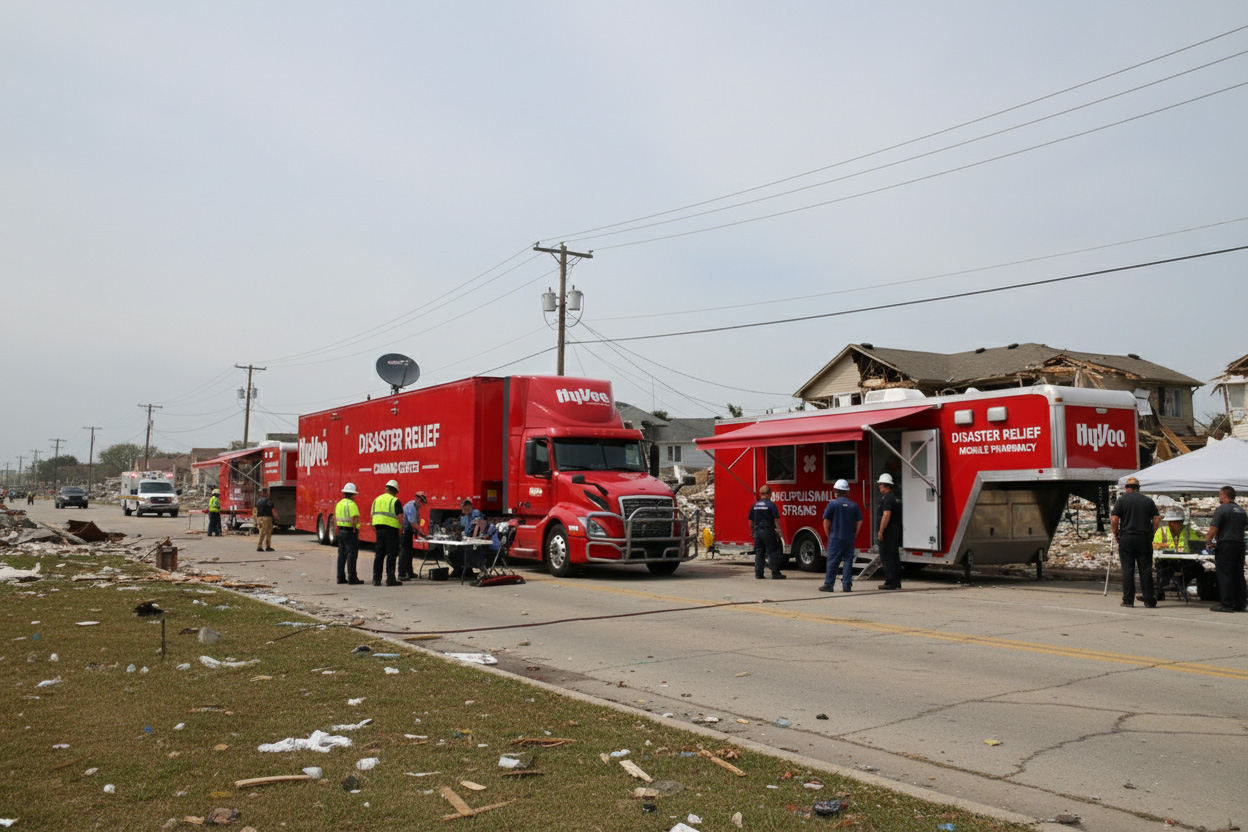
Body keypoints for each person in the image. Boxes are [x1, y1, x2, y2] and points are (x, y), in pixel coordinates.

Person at [1110, 476, 1160, 608]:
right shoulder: (1148, 501)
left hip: (1127, 538)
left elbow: (1114, 519)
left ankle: (1128, 600)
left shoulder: (1122, 501)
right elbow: (1156, 519)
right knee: (1145, 569)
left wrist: (1116, 534)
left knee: (1128, 569)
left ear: (1127, 488)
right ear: (1138, 488)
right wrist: (1152, 533)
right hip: (1143, 537)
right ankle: (1149, 599)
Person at [1204, 485, 1246, 613]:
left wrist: (1208, 541)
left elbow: (1213, 529)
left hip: (1226, 545)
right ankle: (1240, 604)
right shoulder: (1241, 511)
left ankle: (1226, 604)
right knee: (1238, 574)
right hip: (1239, 544)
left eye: (1220, 495)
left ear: (1223, 495)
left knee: (1225, 573)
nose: (1219, 497)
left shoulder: (1221, 509)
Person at [1150, 506, 1201, 602]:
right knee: (1163, 569)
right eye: (1171, 522)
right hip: (1165, 561)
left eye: (1176, 522)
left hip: (1183, 560)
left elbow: (1196, 543)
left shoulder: (1188, 531)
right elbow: (1155, 545)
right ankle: (1162, 588)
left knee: (1198, 568)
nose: (1172, 524)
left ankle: (1181, 583)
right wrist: (1171, 546)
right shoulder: (1162, 531)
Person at [820, 479, 862, 592]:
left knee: (833, 561)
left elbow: (826, 521)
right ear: (847, 491)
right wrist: (855, 534)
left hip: (836, 537)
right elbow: (859, 521)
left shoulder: (832, 504)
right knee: (848, 561)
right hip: (849, 537)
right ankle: (847, 585)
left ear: (836, 491)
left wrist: (828, 534)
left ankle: (829, 585)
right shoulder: (854, 505)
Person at [370, 479, 403, 586]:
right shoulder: (395, 501)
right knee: (391, 555)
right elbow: (400, 517)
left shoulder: (376, 500)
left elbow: (372, 515)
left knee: (379, 555)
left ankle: (376, 579)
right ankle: (390, 579)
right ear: (395, 491)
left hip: (379, 530)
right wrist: (401, 529)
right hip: (391, 531)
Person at [748, 485, 784, 580]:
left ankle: (758, 573)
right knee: (772, 551)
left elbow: (750, 520)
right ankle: (775, 573)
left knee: (759, 552)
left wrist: (751, 531)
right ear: (769, 494)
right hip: (768, 530)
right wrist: (780, 531)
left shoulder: (755, 505)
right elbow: (776, 519)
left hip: (757, 531)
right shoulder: (771, 505)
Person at [875, 473, 903, 590]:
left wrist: (881, 531)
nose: (879, 487)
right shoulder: (895, 497)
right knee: (894, 557)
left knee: (887, 557)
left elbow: (886, 514)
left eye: (880, 484)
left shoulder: (887, 498)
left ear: (885, 485)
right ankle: (896, 582)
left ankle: (890, 582)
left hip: (888, 532)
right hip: (895, 531)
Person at [335, 483, 364, 585]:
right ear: (353, 494)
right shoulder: (352, 504)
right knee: (351, 555)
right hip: (350, 532)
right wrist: (355, 528)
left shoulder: (339, 504)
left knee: (341, 555)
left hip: (341, 531)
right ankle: (352, 578)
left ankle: (340, 577)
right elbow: (355, 518)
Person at [451, 498, 487, 580]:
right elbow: (462, 529)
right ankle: (463, 570)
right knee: (453, 554)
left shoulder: (476, 513)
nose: (466, 510)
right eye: (464, 509)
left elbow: (477, 527)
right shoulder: (464, 518)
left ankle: (483, 570)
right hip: (467, 541)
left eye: (467, 508)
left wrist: (472, 536)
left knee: (472, 552)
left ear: (471, 507)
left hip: (479, 542)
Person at [398, 490, 429, 581]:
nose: (422, 504)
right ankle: (402, 573)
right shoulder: (411, 507)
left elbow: (417, 521)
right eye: (421, 501)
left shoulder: (415, 507)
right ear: (418, 499)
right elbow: (413, 523)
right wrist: (422, 532)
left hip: (408, 531)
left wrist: (417, 531)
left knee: (409, 552)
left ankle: (409, 572)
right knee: (404, 553)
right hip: (405, 531)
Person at [254, 487, 277, 552]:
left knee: (261, 532)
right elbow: (273, 510)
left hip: (259, 518)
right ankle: (264, 546)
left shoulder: (258, 501)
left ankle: (262, 546)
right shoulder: (268, 501)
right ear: (266, 493)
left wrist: (255, 519)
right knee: (267, 533)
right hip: (267, 518)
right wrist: (276, 517)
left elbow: (255, 510)